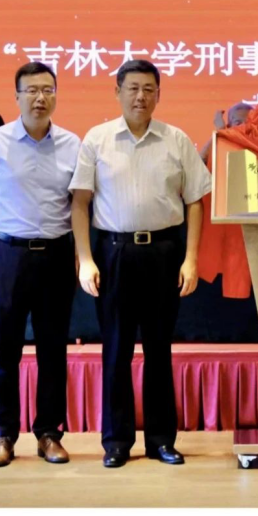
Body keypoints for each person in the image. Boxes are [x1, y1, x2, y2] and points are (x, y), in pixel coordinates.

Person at [70, 60, 212, 468]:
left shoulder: (176, 140)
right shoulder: (97, 139)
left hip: (164, 254)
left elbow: (195, 202)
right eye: (132, 88)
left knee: (159, 350)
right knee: (116, 350)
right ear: (117, 92)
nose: (140, 97)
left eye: (149, 89)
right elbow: (80, 203)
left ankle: (161, 440)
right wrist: (85, 259)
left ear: (158, 94)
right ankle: (116, 442)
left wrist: (191, 258)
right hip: (113, 254)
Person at [0, 62, 79, 467]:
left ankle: (49, 434)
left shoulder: (72, 144)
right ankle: (3, 435)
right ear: (16, 97)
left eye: (47, 89)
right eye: (31, 90)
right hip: (8, 256)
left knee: (53, 351)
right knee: (4, 351)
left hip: (56, 255)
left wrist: (81, 256)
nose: (40, 98)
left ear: (56, 95)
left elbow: (79, 205)